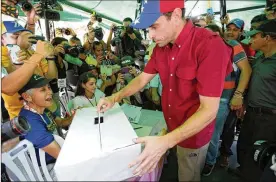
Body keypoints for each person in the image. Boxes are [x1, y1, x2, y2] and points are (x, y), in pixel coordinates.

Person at [97, 0, 233, 181]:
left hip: (192, 133)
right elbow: (142, 79)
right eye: (148, 29)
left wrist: (165, 142)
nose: (151, 35)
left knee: (187, 175)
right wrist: (115, 97)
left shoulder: (209, 45)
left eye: (154, 26)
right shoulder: (161, 47)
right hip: (171, 125)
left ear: (176, 15)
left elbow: (209, 110)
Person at [202, 24, 251, 176]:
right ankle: (205, 159)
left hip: (223, 97)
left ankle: (210, 161)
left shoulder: (232, 45)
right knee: (202, 131)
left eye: (214, 35)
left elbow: (246, 70)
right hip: (203, 96)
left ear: (220, 35)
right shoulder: (201, 48)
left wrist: (238, 95)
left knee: (213, 133)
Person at [237, 20, 276, 182]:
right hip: (251, 112)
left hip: (269, 118)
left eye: (255, 36)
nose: (251, 40)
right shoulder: (259, 57)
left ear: (267, 38)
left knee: (259, 154)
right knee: (244, 148)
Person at [18, 74, 73, 178]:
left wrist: (73, 117)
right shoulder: (29, 122)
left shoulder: (43, 110)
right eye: (43, 90)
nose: (50, 92)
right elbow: (62, 156)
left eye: (48, 87)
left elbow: (61, 123)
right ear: (27, 96)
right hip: (47, 169)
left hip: (58, 158)